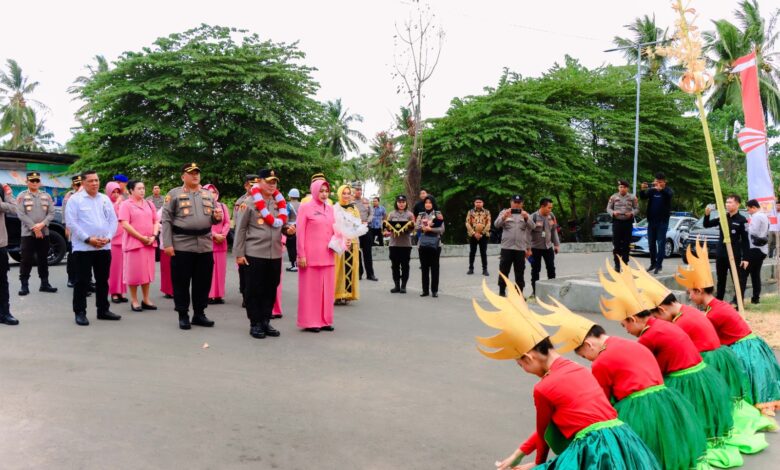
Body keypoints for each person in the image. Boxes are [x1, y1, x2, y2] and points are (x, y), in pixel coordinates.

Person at [474, 279, 660, 470]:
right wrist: (519, 454)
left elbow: (545, 433)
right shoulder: (578, 368)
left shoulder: (543, 388)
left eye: (521, 365)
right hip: (622, 438)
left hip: (595, 447)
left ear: (529, 358)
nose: (524, 370)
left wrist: (537, 465)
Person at [532, 297, 706, 470]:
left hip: (639, 411)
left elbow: (602, 403)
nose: (589, 360)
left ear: (588, 345)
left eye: (585, 356)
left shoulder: (601, 362)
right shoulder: (631, 344)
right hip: (666, 402)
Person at [599, 259, 738, 462]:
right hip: (702, 371)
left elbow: (648, 370)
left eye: (624, 326)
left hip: (686, 377)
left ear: (634, 319)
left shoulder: (649, 336)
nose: (627, 331)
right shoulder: (666, 324)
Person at [635, 258, 776, 436]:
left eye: (690, 293)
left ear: (662, 310)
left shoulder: (687, 320)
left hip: (716, 356)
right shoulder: (692, 311)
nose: (690, 297)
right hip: (723, 352)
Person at [679, 239, 780, 417]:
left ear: (700, 291)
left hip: (745, 349)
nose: (690, 297)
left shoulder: (713, 313)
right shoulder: (717, 306)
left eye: (691, 293)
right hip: (751, 344)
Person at [161, 162, 223, 330]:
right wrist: (167, 243)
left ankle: (199, 314)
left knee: (203, 282)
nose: (195, 175)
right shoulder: (174, 194)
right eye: (191, 173)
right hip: (182, 244)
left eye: (197, 172)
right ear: (183, 176)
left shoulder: (207, 195)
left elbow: (212, 219)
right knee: (181, 282)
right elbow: (166, 220)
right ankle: (183, 314)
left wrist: (217, 218)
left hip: (204, 244)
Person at [234, 168, 293, 339]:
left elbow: (280, 224)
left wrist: (288, 230)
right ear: (259, 182)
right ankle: (255, 323)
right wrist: (239, 253)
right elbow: (240, 229)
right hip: (254, 253)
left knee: (270, 288)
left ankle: (266, 321)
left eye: (274, 182)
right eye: (269, 181)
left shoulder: (278, 203)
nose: (272, 184)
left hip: (274, 254)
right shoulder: (249, 203)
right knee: (254, 290)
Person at [65, 170, 121, 326]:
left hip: (104, 246)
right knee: (82, 281)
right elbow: (71, 223)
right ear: (83, 183)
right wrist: (88, 239)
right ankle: (80, 312)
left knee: (103, 280)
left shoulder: (104, 199)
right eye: (90, 181)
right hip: (83, 248)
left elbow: (113, 221)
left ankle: (103, 310)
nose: (95, 183)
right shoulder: (75, 200)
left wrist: (108, 237)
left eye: (96, 180)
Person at [296, 177, 336, 332]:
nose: (324, 194)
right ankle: (311, 321)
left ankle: (325, 320)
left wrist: (342, 241)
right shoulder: (305, 208)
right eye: (321, 191)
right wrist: (301, 255)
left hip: (328, 255)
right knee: (311, 291)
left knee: (327, 291)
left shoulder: (331, 209)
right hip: (310, 257)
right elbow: (300, 233)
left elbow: (336, 231)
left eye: (326, 191)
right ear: (314, 191)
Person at [118, 181, 159, 312]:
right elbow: (125, 224)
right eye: (139, 188)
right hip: (134, 244)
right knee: (134, 273)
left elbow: (156, 221)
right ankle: (134, 300)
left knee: (146, 273)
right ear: (131, 190)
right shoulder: (126, 205)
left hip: (149, 242)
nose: (142, 191)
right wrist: (141, 237)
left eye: (143, 188)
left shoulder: (149, 204)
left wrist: (154, 235)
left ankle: (146, 299)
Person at [16, 171, 57, 295]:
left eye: (37, 181)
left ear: (40, 182)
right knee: (26, 259)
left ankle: (44, 284)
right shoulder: (21, 196)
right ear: (27, 182)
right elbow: (20, 214)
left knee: (43, 259)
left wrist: (42, 225)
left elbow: (51, 213)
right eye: (32, 181)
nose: (34, 183)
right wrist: (34, 227)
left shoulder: (47, 196)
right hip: (28, 234)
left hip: (44, 232)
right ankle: (24, 285)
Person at [703, 195, 750, 303]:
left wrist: (746, 258)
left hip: (734, 254)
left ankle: (738, 302)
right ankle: (718, 301)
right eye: (726, 202)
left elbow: (745, 241)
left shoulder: (742, 220)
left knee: (737, 279)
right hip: (721, 253)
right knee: (721, 279)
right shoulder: (722, 218)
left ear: (737, 204)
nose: (727, 204)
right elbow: (706, 224)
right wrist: (707, 214)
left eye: (730, 202)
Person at [493, 195, 531, 297]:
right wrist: (504, 216)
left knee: (520, 272)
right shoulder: (504, 212)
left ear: (522, 203)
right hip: (507, 248)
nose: (517, 204)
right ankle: (502, 291)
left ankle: (519, 293)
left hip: (520, 248)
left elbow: (533, 227)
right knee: (504, 270)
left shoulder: (526, 214)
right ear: (511, 202)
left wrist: (526, 217)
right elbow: (496, 225)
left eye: (519, 202)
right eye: (515, 202)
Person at [639, 172, 673, 274]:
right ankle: (653, 263)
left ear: (664, 182)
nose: (658, 184)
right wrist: (642, 189)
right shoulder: (652, 191)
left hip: (662, 222)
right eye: (656, 181)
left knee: (661, 243)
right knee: (651, 244)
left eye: (660, 182)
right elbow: (643, 197)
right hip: (651, 222)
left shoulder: (668, 190)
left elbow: (669, 195)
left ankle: (659, 265)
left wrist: (662, 190)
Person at [233, 174, 259, 306]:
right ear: (246, 186)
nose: (254, 187)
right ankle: (245, 294)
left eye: (256, 184)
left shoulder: (262, 199)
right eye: (251, 185)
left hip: (258, 242)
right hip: (245, 240)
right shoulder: (240, 201)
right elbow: (238, 224)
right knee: (243, 271)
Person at [334, 185, 362, 304]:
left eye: (348, 193)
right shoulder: (335, 208)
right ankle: (337, 294)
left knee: (350, 267)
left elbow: (357, 224)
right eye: (343, 193)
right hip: (340, 241)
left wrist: (350, 236)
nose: (346, 196)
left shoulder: (354, 208)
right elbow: (333, 224)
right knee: (338, 268)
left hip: (352, 241)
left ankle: (347, 294)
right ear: (339, 194)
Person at [203, 184, 230, 305]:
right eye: (209, 192)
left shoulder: (223, 207)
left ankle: (219, 295)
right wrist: (214, 235)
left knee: (221, 270)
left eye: (214, 192)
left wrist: (222, 235)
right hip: (208, 242)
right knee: (209, 270)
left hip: (221, 242)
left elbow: (227, 223)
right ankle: (209, 294)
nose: (212, 194)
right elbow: (203, 224)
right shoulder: (203, 207)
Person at [384, 195, 415, 294]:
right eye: (399, 202)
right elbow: (387, 227)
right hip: (394, 244)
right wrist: (387, 229)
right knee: (395, 265)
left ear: (406, 203)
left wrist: (408, 227)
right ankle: (396, 285)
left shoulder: (410, 215)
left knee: (405, 266)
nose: (401, 204)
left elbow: (413, 228)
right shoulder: (391, 214)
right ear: (396, 203)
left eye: (403, 202)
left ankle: (403, 286)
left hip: (406, 244)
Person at [529, 198, 559, 297]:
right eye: (548, 208)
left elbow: (554, 230)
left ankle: (552, 291)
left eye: (551, 208)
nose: (550, 210)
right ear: (542, 206)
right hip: (535, 249)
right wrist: (527, 249)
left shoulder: (551, 216)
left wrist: (556, 244)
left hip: (548, 247)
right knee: (535, 270)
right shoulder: (533, 217)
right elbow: (527, 233)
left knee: (551, 268)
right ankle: (535, 292)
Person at [606, 180, 638, 271]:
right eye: (620, 187)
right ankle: (617, 264)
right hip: (617, 223)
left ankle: (625, 263)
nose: (622, 189)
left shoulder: (632, 197)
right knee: (616, 244)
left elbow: (637, 208)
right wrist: (613, 213)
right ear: (618, 188)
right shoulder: (613, 197)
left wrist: (632, 213)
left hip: (627, 223)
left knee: (626, 244)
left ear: (627, 188)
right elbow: (608, 208)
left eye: (624, 187)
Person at [416, 196, 444, 298]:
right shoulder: (421, 214)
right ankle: (425, 290)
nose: (428, 204)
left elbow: (442, 229)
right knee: (424, 268)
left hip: (435, 244)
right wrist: (423, 227)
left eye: (430, 202)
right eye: (426, 202)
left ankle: (434, 290)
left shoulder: (438, 214)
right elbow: (416, 227)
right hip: (423, 244)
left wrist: (430, 228)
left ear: (433, 204)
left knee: (435, 267)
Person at [744, 199, 769, 304]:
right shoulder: (764, 215)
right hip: (762, 249)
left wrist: (746, 226)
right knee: (755, 274)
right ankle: (755, 298)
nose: (748, 211)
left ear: (753, 207)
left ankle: (739, 298)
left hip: (754, 248)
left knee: (744, 273)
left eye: (748, 209)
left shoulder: (756, 216)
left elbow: (753, 231)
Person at [105, 182, 127, 304]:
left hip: (123, 239)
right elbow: (109, 217)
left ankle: (121, 291)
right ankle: (114, 292)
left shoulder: (123, 204)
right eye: (113, 191)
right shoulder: (106, 203)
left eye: (118, 191)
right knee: (114, 268)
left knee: (123, 268)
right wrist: (117, 203)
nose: (116, 194)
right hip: (112, 240)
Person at [0, 184, 18, 325]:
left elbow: (15, 208)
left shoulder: (2, 188)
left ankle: (4, 313)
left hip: (0, 243)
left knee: (2, 281)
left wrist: (2, 204)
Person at [352, 182, 377, 281]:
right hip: (355, 229)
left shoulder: (365, 201)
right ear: (353, 190)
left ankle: (370, 274)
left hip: (366, 229)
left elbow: (371, 213)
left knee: (368, 252)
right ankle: (359, 273)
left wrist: (368, 221)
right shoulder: (351, 202)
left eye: (360, 189)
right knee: (357, 252)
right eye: (357, 189)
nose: (359, 191)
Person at [64, 175, 83, 288]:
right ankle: (71, 278)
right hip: (73, 230)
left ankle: (87, 279)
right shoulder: (70, 195)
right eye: (77, 184)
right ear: (73, 185)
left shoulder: (87, 195)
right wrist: (67, 227)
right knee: (72, 256)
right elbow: (65, 213)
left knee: (86, 256)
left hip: (85, 230)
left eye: (80, 184)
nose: (79, 186)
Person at [465, 196, 491, 276]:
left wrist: (482, 233)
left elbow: (489, 223)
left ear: (483, 203)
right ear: (474, 203)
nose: (478, 203)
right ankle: (471, 268)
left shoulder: (487, 212)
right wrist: (473, 233)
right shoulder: (470, 212)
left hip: (484, 235)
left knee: (483, 252)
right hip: (473, 235)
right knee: (472, 252)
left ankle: (485, 269)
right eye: (477, 202)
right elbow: (467, 223)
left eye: (480, 202)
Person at [157, 206, 173, 299]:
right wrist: (161, 228)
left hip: (180, 242)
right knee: (166, 268)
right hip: (166, 242)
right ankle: (168, 290)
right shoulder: (164, 208)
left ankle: (178, 290)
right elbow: (155, 220)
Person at [285, 188, 301, 271]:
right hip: (300, 227)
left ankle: (294, 264)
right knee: (298, 246)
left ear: (290, 196)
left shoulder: (288, 205)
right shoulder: (302, 204)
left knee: (291, 247)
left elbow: (286, 218)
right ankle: (298, 263)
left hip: (291, 227)